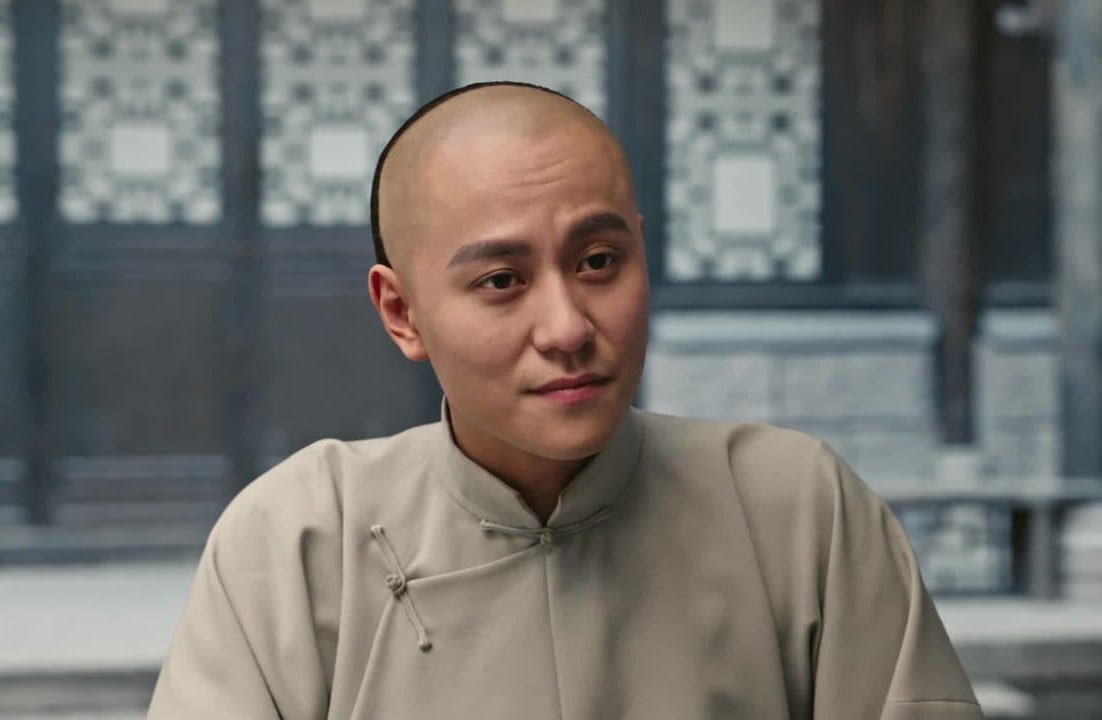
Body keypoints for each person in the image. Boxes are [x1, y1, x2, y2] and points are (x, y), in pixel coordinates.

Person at [147, 81, 983, 719]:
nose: (568, 327)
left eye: (598, 263)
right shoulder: (300, 540)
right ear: (401, 312)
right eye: (501, 281)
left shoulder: (795, 512)